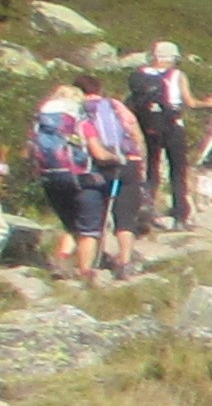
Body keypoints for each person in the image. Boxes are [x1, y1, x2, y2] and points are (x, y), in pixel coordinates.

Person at [28, 83, 106, 283]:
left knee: (71, 225)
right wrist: (114, 158)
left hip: (51, 178)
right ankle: (85, 271)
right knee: (89, 228)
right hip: (81, 177)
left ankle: (61, 262)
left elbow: (30, 151)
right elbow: (97, 152)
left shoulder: (41, 122)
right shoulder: (80, 120)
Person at [80, 76, 147, 277]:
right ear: (100, 88)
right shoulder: (114, 104)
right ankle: (125, 261)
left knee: (93, 215)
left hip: (97, 165)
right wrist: (139, 161)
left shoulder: (79, 108)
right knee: (125, 215)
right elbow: (135, 132)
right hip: (128, 162)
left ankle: (84, 265)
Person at [122, 41, 193, 232]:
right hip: (172, 126)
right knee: (177, 171)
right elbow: (190, 102)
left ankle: (146, 208)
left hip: (148, 127)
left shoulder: (139, 76)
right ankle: (179, 215)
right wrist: (210, 103)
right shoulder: (177, 75)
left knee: (151, 169)